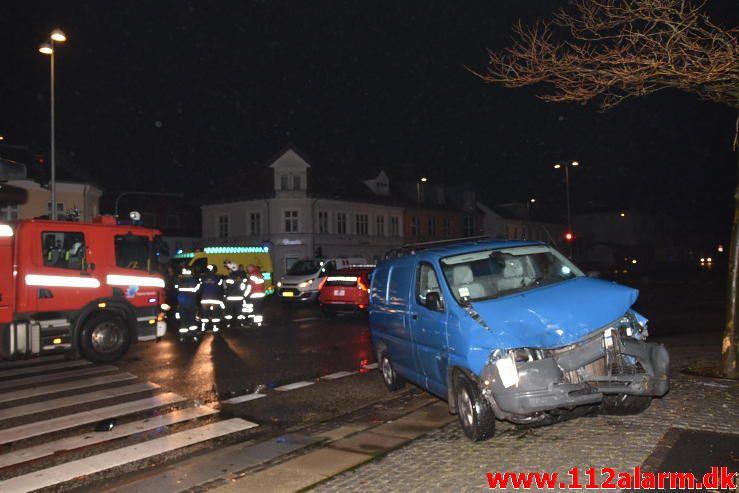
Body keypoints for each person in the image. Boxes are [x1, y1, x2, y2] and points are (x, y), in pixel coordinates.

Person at [199, 265, 224, 332]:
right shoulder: (218, 278)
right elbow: (221, 288)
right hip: (215, 299)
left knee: (205, 314)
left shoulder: (202, 278)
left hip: (204, 299)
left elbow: (200, 288)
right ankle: (215, 327)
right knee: (215, 313)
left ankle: (203, 327)